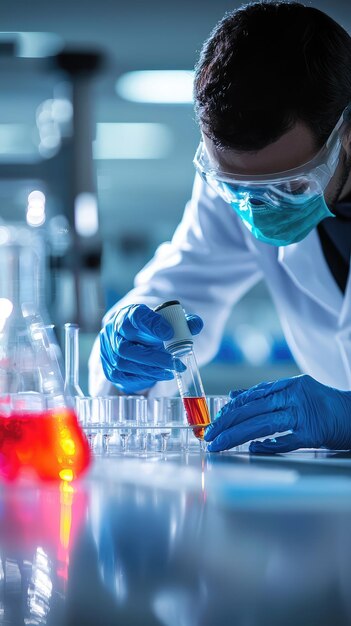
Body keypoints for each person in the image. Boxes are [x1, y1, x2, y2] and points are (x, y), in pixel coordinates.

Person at [89, 1, 351, 454]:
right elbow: (176, 296)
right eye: (234, 187)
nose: (257, 208)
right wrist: (131, 341)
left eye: (288, 186)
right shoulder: (236, 178)